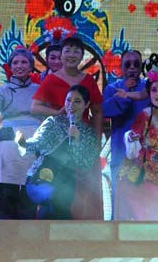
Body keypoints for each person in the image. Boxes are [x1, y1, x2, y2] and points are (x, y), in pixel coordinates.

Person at [31, 36, 104, 219]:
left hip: (83, 139)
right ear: (61, 55)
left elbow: (97, 112)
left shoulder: (88, 80)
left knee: (84, 184)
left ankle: (85, 228)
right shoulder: (51, 79)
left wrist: (97, 140)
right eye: (67, 51)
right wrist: (57, 113)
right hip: (58, 140)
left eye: (76, 51)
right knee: (56, 184)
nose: (71, 55)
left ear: (82, 56)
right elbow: (35, 107)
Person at [114, 55, 158, 221]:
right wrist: (130, 140)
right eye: (154, 90)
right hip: (140, 178)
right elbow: (132, 148)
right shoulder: (145, 116)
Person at [16, 85, 99, 219]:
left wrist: (77, 141)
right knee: (57, 199)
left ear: (86, 104)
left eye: (77, 101)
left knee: (59, 209)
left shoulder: (89, 134)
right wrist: (23, 143)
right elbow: (38, 142)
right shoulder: (53, 122)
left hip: (66, 183)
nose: (71, 105)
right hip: (40, 179)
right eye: (68, 100)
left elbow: (86, 164)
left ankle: (47, 230)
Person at [0, 47, 41, 219]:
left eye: (24, 62)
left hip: (32, 141)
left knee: (28, 195)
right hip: (8, 144)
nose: (19, 66)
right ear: (10, 67)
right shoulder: (3, 90)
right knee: (6, 192)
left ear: (31, 66)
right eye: (15, 62)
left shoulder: (38, 89)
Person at [102, 50, 149, 210]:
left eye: (136, 64)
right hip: (121, 152)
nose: (132, 68)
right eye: (127, 64)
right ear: (121, 68)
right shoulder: (112, 88)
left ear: (141, 66)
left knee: (144, 203)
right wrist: (126, 93)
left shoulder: (149, 89)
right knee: (121, 201)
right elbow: (106, 111)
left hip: (146, 154)